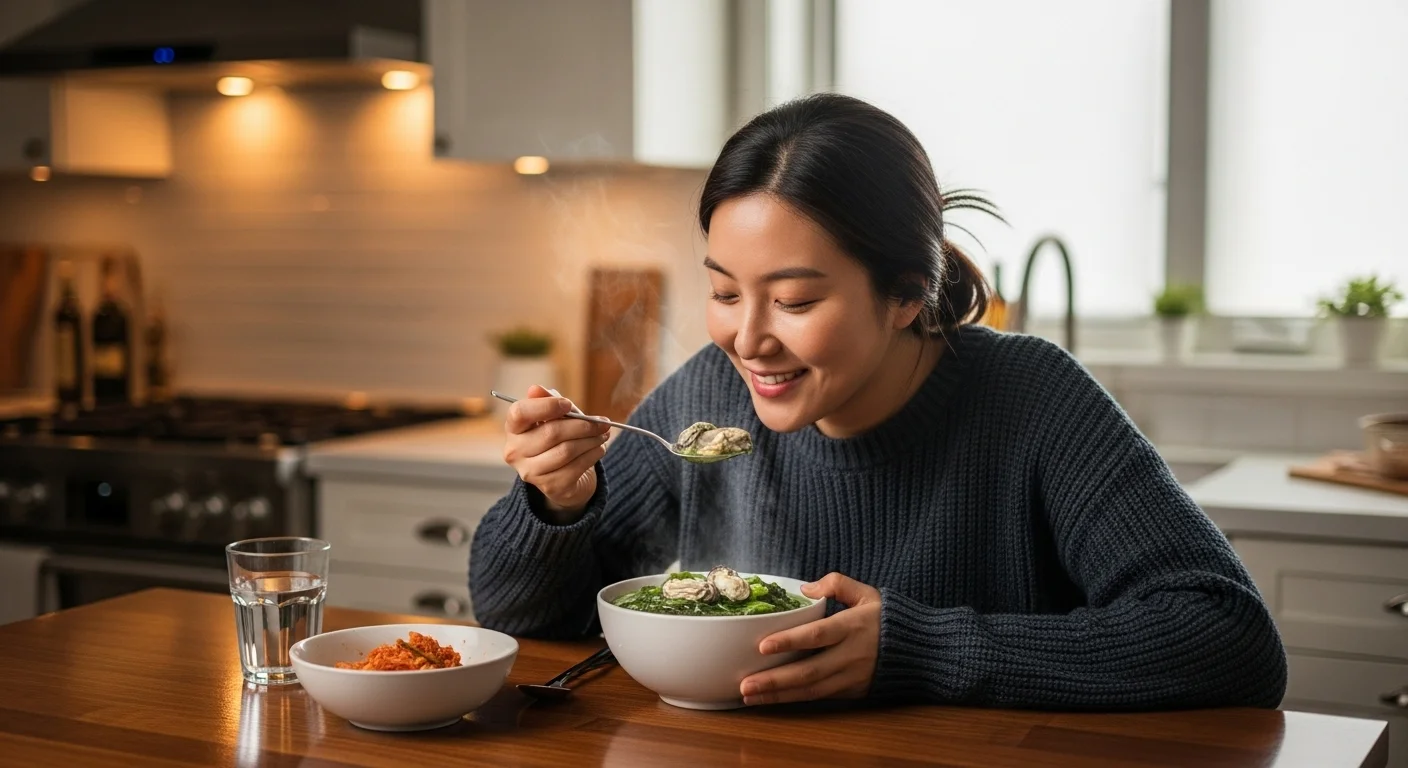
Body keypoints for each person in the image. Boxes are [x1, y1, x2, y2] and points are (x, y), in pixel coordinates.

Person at [469, 93, 1287, 710]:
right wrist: (557, 505)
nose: (747, 338)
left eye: (792, 301)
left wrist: (920, 649)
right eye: (724, 292)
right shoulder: (713, 396)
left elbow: (1230, 638)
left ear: (904, 294)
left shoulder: (1032, 398)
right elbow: (526, 619)